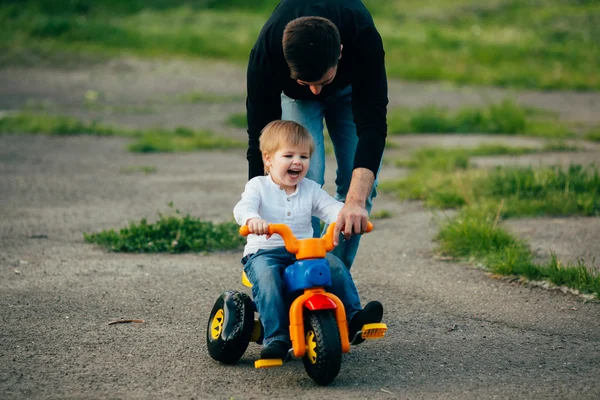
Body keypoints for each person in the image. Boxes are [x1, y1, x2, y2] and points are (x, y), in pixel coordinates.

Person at [246, 0, 388, 270]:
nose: (316, 91)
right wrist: (259, 204)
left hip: (350, 91)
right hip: (295, 100)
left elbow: (373, 125)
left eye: (322, 81)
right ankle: (294, 270)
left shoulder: (362, 35)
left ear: (341, 53)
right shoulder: (267, 53)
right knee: (299, 174)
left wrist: (355, 202)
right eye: (305, 82)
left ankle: (332, 276)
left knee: (358, 189)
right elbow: (260, 139)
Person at [234, 120, 383, 360]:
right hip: (264, 253)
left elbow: (331, 208)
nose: (297, 162)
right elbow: (244, 207)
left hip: (303, 253)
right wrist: (252, 220)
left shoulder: (310, 189)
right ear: (269, 159)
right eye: (289, 155)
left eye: (304, 157)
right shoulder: (258, 186)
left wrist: (347, 217)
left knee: (333, 265)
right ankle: (276, 338)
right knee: (267, 278)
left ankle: (354, 319)